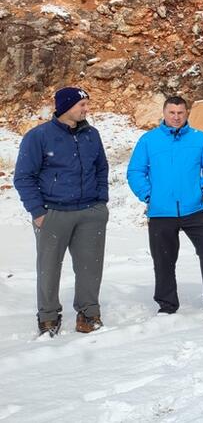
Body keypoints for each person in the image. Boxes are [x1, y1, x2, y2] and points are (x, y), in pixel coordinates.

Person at [14, 87, 109, 336]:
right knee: (49, 268)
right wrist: (38, 211)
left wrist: (101, 202)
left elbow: (101, 169)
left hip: (90, 212)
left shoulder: (92, 134)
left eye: (87, 104)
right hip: (53, 213)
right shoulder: (39, 136)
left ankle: (88, 314)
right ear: (66, 106)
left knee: (90, 268)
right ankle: (48, 317)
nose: (86, 109)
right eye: (82, 105)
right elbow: (23, 177)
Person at [127, 96, 203, 317]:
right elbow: (135, 171)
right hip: (161, 212)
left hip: (194, 209)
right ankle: (167, 305)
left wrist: (202, 188)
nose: (176, 117)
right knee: (163, 259)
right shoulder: (149, 140)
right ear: (164, 113)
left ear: (186, 114)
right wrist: (148, 195)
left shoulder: (199, 138)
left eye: (180, 113)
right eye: (172, 113)